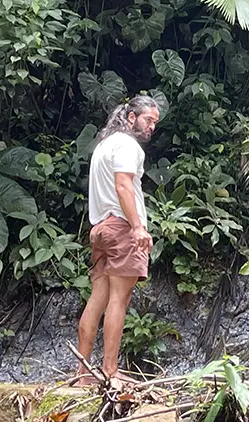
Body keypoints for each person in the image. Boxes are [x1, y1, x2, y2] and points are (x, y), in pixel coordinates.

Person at [75, 96, 161, 384]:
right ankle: (110, 370)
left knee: (97, 298)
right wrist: (138, 227)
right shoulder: (126, 145)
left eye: (155, 122)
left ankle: (83, 372)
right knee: (118, 300)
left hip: (100, 228)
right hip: (121, 227)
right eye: (148, 119)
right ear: (131, 117)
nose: (152, 126)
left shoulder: (104, 145)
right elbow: (123, 185)